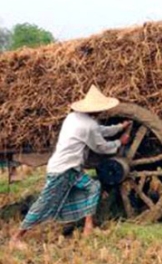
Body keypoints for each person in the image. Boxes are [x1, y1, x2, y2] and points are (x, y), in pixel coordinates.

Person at [9, 85, 131, 249]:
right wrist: (118, 142)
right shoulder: (89, 125)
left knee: (93, 187)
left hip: (71, 169)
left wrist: (118, 128)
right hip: (62, 170)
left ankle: (89, 227)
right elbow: (100, 146)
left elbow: (98, 130)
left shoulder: (73, 117)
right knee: (45, 203)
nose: (102, 112)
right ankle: (16, 238)